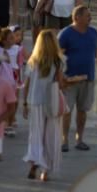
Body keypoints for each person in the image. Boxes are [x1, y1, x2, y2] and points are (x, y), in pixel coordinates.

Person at [21, 29, 63, 182]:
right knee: (50, 135)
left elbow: (26, 84)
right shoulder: (58, 61)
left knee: (35, 135)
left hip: (34, 101)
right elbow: (61, 83)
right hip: (51, 102)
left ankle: (34, 165)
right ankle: (46, 171)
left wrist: (24, 103)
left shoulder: (33, 61)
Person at [57, 6, 97, 153]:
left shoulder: (93, 33)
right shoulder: (65, 34)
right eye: (87, 16)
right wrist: (61, 78)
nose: (90, 18)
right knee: (67, 110)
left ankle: (79, 139)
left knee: (83, 110)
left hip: (88, 78)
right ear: (77, 17)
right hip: (69, 80)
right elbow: (57, 57)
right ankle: (64, 140)